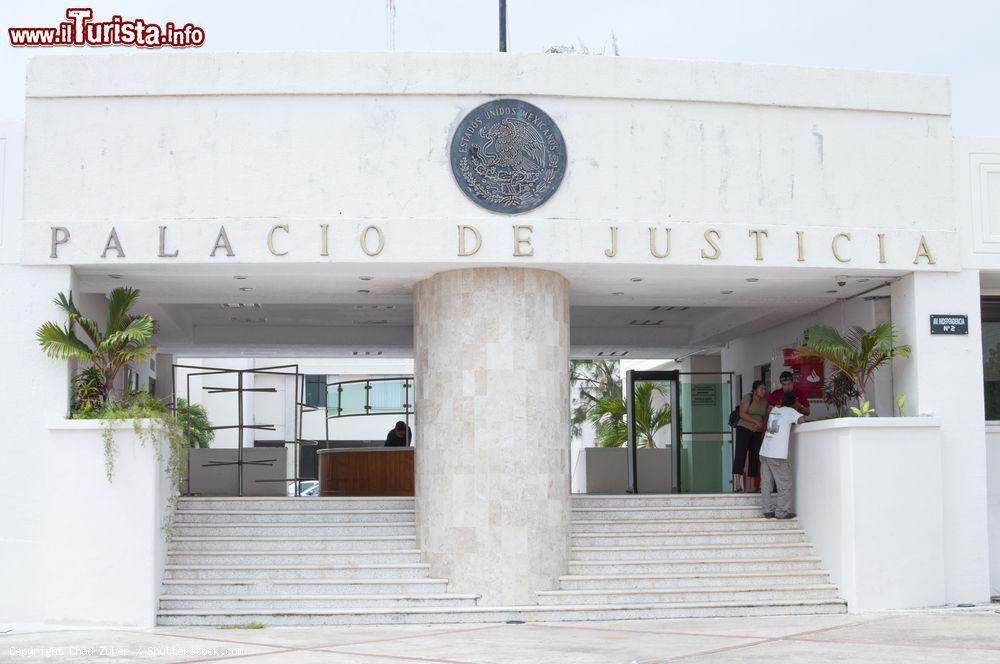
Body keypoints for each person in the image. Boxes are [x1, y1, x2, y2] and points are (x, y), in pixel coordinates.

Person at [760, 391, 806, 519]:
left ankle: (767, 510)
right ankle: (782, 512)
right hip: (777, 454)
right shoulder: (790, 411)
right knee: (784, 483)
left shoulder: (775, 409)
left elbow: (776, 428)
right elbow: (802, 420)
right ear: (794, 402)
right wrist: (799, 407)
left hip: (765, 451)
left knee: (766, 483)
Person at [733, 380, 769, 493]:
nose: (764, 391)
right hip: (744, 428)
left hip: (757, 431)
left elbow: (765, 416)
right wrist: (755, 421)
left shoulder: (764, 402)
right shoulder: (748, 397)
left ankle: (752, 485)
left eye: (764, 388)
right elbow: (742, 413)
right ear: (754, 390)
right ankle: (738, 484)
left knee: (754, 457)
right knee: (741, 454)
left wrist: (761, 424)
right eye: (761, 389)